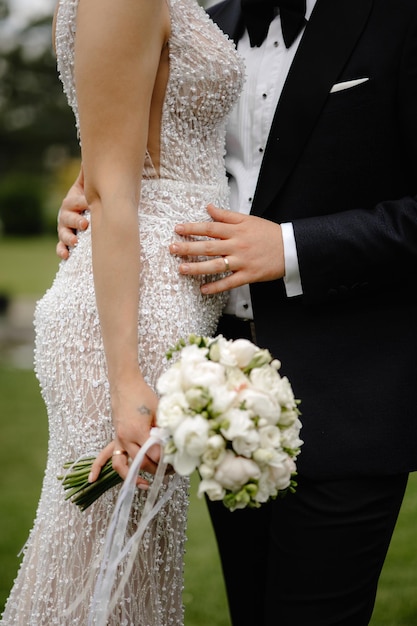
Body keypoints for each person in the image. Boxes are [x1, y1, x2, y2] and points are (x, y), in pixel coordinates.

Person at [56, 0, 417, 625]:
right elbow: (147, 146)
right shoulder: (207, 24)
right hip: (212, 391)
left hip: (350, 389)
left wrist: (291, 246)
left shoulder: (397, 18)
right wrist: (90, 193)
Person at [0, 0, 243, 624]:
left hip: (166, 306)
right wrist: (125, 378)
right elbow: (113, 192)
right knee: (92, 576)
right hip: (131, 319)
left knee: (127, 578)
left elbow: (121, 143)